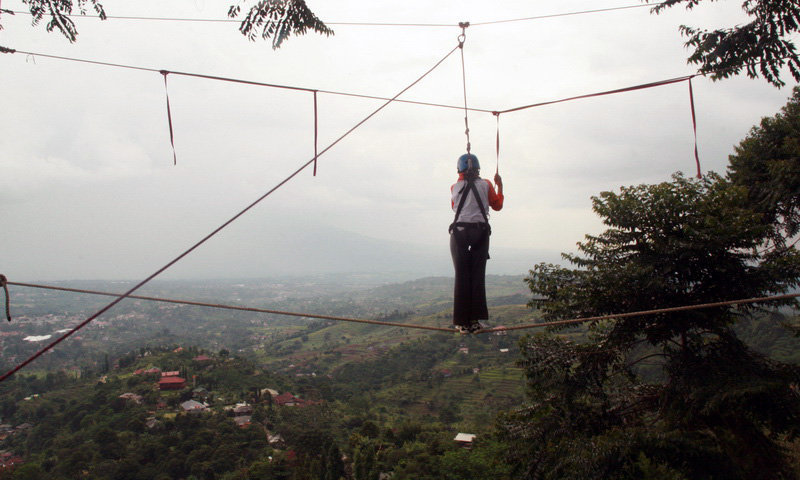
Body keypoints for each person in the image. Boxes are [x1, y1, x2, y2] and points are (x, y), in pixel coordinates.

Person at [449, 153, 503, 334]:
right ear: (478, 169)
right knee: (477, 276)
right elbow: (497, 206)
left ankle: (461, 322)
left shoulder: (454, 187)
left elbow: (454, 206)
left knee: (461, 276)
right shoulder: (486, 184)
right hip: (480, 232)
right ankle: (474, 321)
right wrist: (500, 186)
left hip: (460, 232)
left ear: (460, 170)